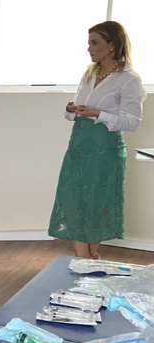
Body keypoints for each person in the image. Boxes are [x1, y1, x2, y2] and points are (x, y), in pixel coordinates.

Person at [49, 21, 146, 260]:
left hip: (106, 150)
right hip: (79, 147)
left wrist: (97, 114)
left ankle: (90, 255)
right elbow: (71, 114)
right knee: (74, 198)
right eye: (88, 43)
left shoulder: (129, 79)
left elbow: (133, 122)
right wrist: (71, 109)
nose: (89, 48)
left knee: (97, 201)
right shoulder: (89, 74)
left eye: (95, 43)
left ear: (112, 45)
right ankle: (83, 258)